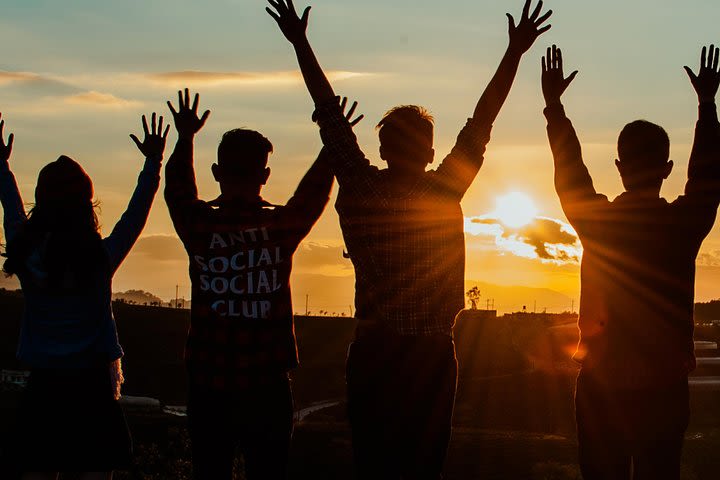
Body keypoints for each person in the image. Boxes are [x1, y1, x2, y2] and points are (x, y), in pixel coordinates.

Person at [266, 0, 552, 477]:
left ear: (381, 148)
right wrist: (514, 54)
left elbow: (329, 116)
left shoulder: (361, 187)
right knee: (423, 465)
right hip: (431, 355)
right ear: (431, 150)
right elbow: (482, 122)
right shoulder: (442, 190)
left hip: (375, 352)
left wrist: (300, 42)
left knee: (374, 463)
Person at [541, 44, 720, 479]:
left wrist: (554, 108)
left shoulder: (598, 223)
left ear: (619, 167)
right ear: (667, 168)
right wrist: (706, 107)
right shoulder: (681, 225)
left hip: (602, 389)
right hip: (665, 389)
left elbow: (571, 173)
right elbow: (707, 179)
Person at [163, 89, 361, 480]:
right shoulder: (279, 228)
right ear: (265, 175)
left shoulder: (200, 225)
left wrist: (185, 137)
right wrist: (332, 139)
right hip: (267, 384)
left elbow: (177, 190)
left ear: (217, 172)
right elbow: (315, 191)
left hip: (208, 383)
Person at [0, 112, 168, 479]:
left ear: (39, 204)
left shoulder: (27, 255)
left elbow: (11, 209)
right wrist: (153, 163)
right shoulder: (100, 259)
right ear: (86, 208)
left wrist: (2, 166)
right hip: (93, 388)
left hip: (43, 385)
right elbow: (134, 217)